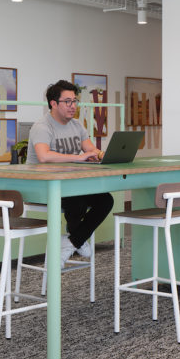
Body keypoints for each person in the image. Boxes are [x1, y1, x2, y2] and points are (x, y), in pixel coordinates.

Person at [27, 79, 114, 266]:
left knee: (105, 200)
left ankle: (72, 240)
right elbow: (43, 156)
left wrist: (99, 154)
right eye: (67, 101)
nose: (72, 106)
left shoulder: (77, 125)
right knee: (78, 198)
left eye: (74, 101)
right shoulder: (42, 126)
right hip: (43, 187)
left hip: (69, 185)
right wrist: (78, 157)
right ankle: (77, 237)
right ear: (53, 104)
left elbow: (90, 149)